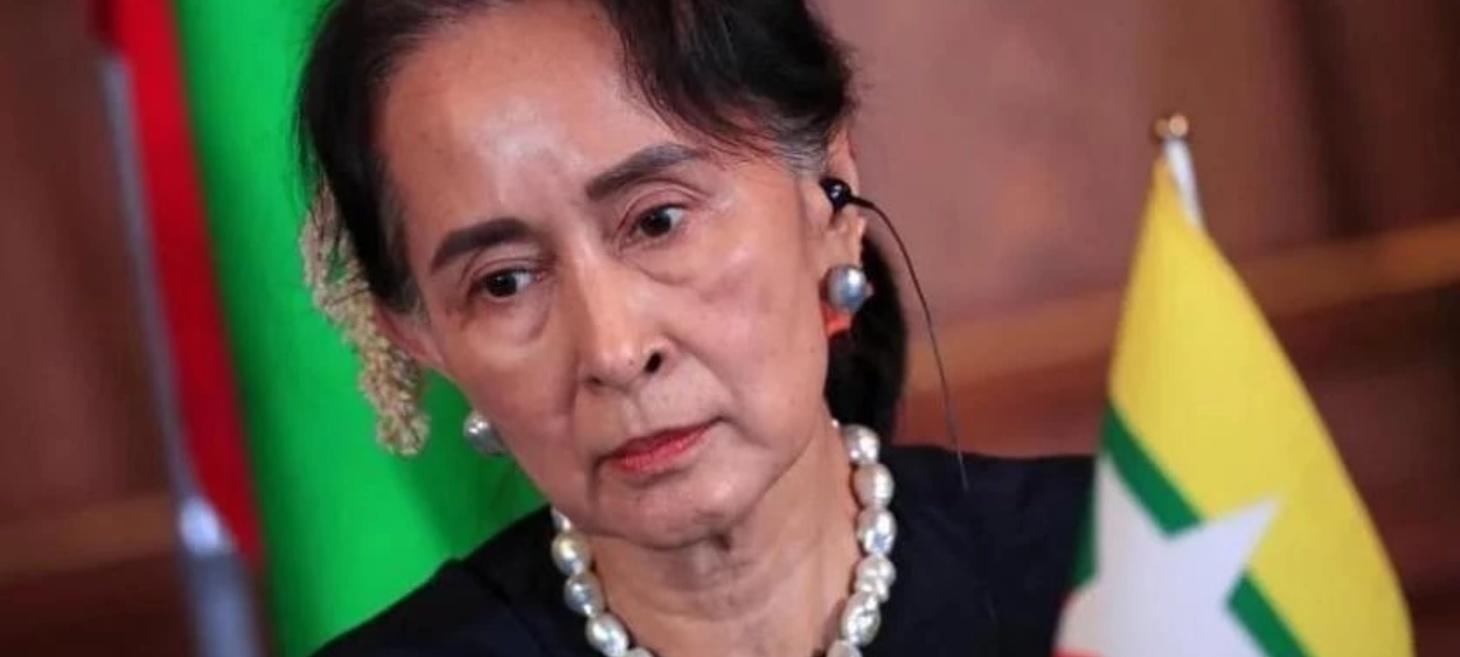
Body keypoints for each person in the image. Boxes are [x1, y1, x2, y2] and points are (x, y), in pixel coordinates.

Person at [297, 1, 1091, 655]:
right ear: (420, 337)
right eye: (503, 281)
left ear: (828, 191)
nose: (615, 350)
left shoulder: (1119, 567)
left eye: (659, 221)